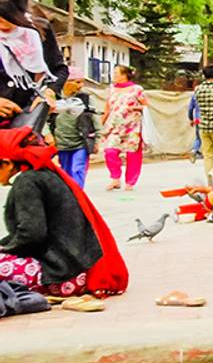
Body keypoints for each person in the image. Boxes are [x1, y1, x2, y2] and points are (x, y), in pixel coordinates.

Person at [0, 127, 128, 299]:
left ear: (7, 163)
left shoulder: (27, 182)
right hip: (78, 271)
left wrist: (5, 249)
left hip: (61, 276)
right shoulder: (45, 174)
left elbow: (32, 234)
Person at [0, 0, 63, 125]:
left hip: (23, 124)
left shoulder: (38, 32)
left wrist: (48, 93)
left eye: (5, 25)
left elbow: (59, 70)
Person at [100, 65, 147, 191]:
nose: (114, 75)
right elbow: (107, 108)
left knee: (132, 154)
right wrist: (101, 124)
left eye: (116, 73)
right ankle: (115, 178)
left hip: (132, 126)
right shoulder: (111, 89)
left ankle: (130, 182)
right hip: (114, 126)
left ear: (124, 75)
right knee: (110, 151)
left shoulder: (136, 89)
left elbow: (146, 106)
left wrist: (134, 108)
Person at [51, 74, 97, 187]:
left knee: (78, 168)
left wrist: (98, 138)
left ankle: (77, 193)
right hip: (61, 142)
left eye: (81, 82)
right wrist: (47, 134)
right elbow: (43, 119)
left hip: (81, 141)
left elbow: (95, 118)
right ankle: (68, 193)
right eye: (77, 82)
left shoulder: (86, 99)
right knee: (65, 170)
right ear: (66, 82)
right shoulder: (54, 98)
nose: (80, 85)